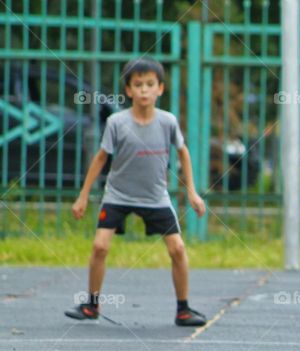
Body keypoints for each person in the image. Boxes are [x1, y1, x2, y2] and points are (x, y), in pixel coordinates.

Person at [66, 57, 207, 326]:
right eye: (138, 84)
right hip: (118, 194)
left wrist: (192, 193)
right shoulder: (117, 122)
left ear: (160, 89)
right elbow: (100, 159)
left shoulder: (167, 122)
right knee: (99, 246)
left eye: (150, 84)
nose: (144, 89)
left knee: (177, 248)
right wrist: (83, 195)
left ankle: (183, 309)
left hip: (155, 196)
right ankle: (91, 305)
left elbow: (183, 153)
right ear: (129, 90)